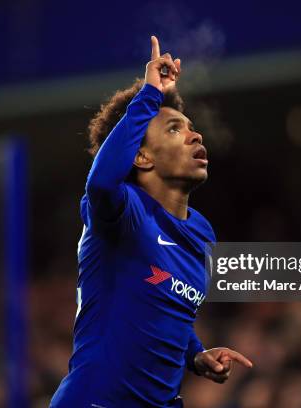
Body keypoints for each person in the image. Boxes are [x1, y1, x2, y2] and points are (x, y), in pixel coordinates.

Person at [50, 36, 252, 408]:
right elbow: (102, 180)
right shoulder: (120, 213)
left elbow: (168, 304)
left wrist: (195, 354)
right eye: (175, 129)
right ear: (141, 157)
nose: (195, 134)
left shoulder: (202, 231)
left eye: (191, 127)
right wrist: (149, 95)